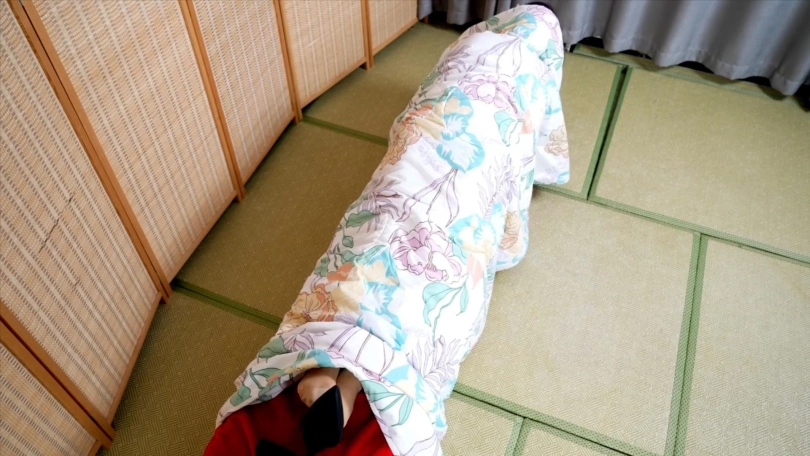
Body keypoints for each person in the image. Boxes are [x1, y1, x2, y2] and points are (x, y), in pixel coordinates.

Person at [205, 4, 568, 455]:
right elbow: (534, 140)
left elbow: (432, 93)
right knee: (442, 233)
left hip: (424, 143)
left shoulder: (472, 40)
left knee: (382, 225)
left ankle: (334, 372)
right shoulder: (533, 68)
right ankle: (348, 380)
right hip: (466, 132)